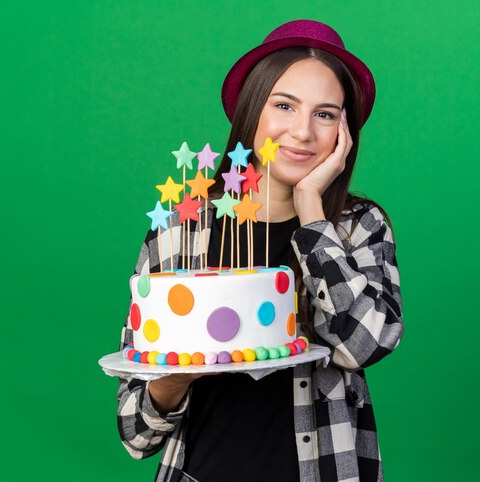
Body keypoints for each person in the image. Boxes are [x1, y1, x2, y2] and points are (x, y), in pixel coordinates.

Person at [116, 20, 404, 482]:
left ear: (344, 134)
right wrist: (175, 380)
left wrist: (312, 214)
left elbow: (364, 346)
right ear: (252, 110)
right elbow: (135, 434)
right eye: (284, 105)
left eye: (326, 114)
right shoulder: (180, 231)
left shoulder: (359, 227)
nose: (303, 131)